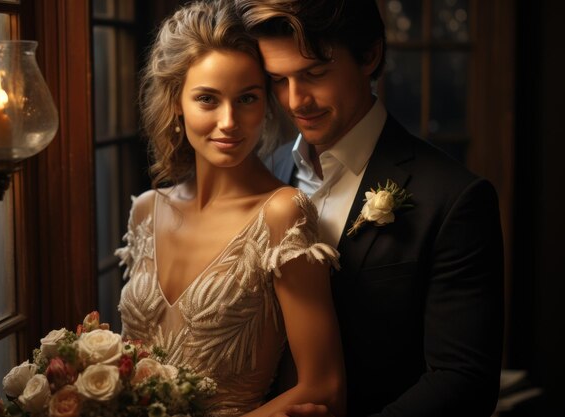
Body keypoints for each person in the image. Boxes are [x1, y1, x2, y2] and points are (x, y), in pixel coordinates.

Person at [234, 1, 504, 416]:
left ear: (370, 56)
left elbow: (463, 380)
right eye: (277, 81)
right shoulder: (263, 174)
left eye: (314, 74)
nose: (295, 100)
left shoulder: (455, 198)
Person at [115, 1, 346, 417]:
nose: (229, 122)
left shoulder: (283, 213)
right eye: (207, 99)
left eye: (247, 98)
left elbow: (324, 386)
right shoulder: (146, 211)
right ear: (176, 103)